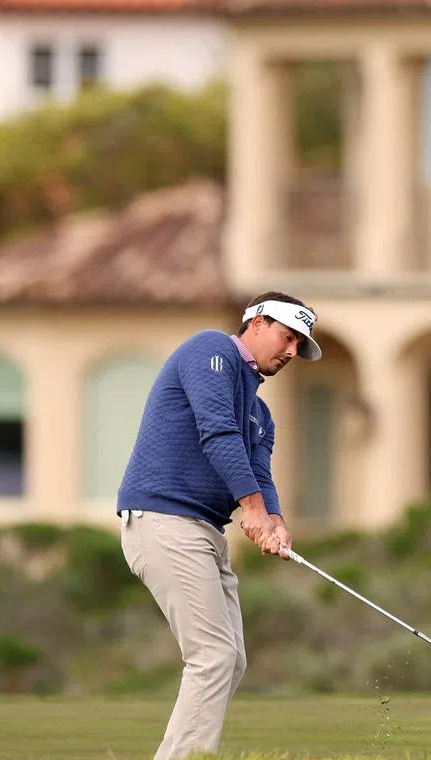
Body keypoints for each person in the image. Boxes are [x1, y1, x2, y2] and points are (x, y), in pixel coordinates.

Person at [117, 291, 322, 760]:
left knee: (231, 661)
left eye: (299, 345)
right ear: (257, 322)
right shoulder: (210, 349)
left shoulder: (261, 412)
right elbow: (217, 432)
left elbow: (259, 473)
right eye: (288, 337)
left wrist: (274, 520)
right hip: (164, 520)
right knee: (211, 657)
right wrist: (251, 511)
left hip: (203, 532)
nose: (292, 352)